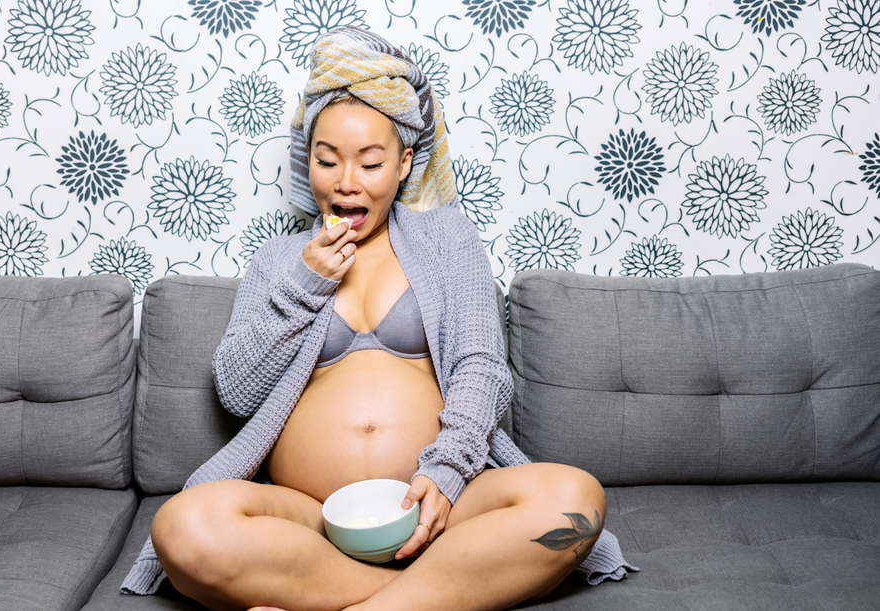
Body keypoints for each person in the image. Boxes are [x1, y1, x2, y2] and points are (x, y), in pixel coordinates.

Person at [123, 26, 635, 611]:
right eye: (327, 161)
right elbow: (237, 390)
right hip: (309, 516)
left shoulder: (447, 240)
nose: (346, 182)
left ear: (402, 165)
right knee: (182, 529)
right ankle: (439, 595)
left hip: (444, 499)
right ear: (307, 164)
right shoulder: (279, 261)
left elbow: (482, 368)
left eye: (369, 163)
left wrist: (445, 473)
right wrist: (307, 282)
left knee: (576, 500)